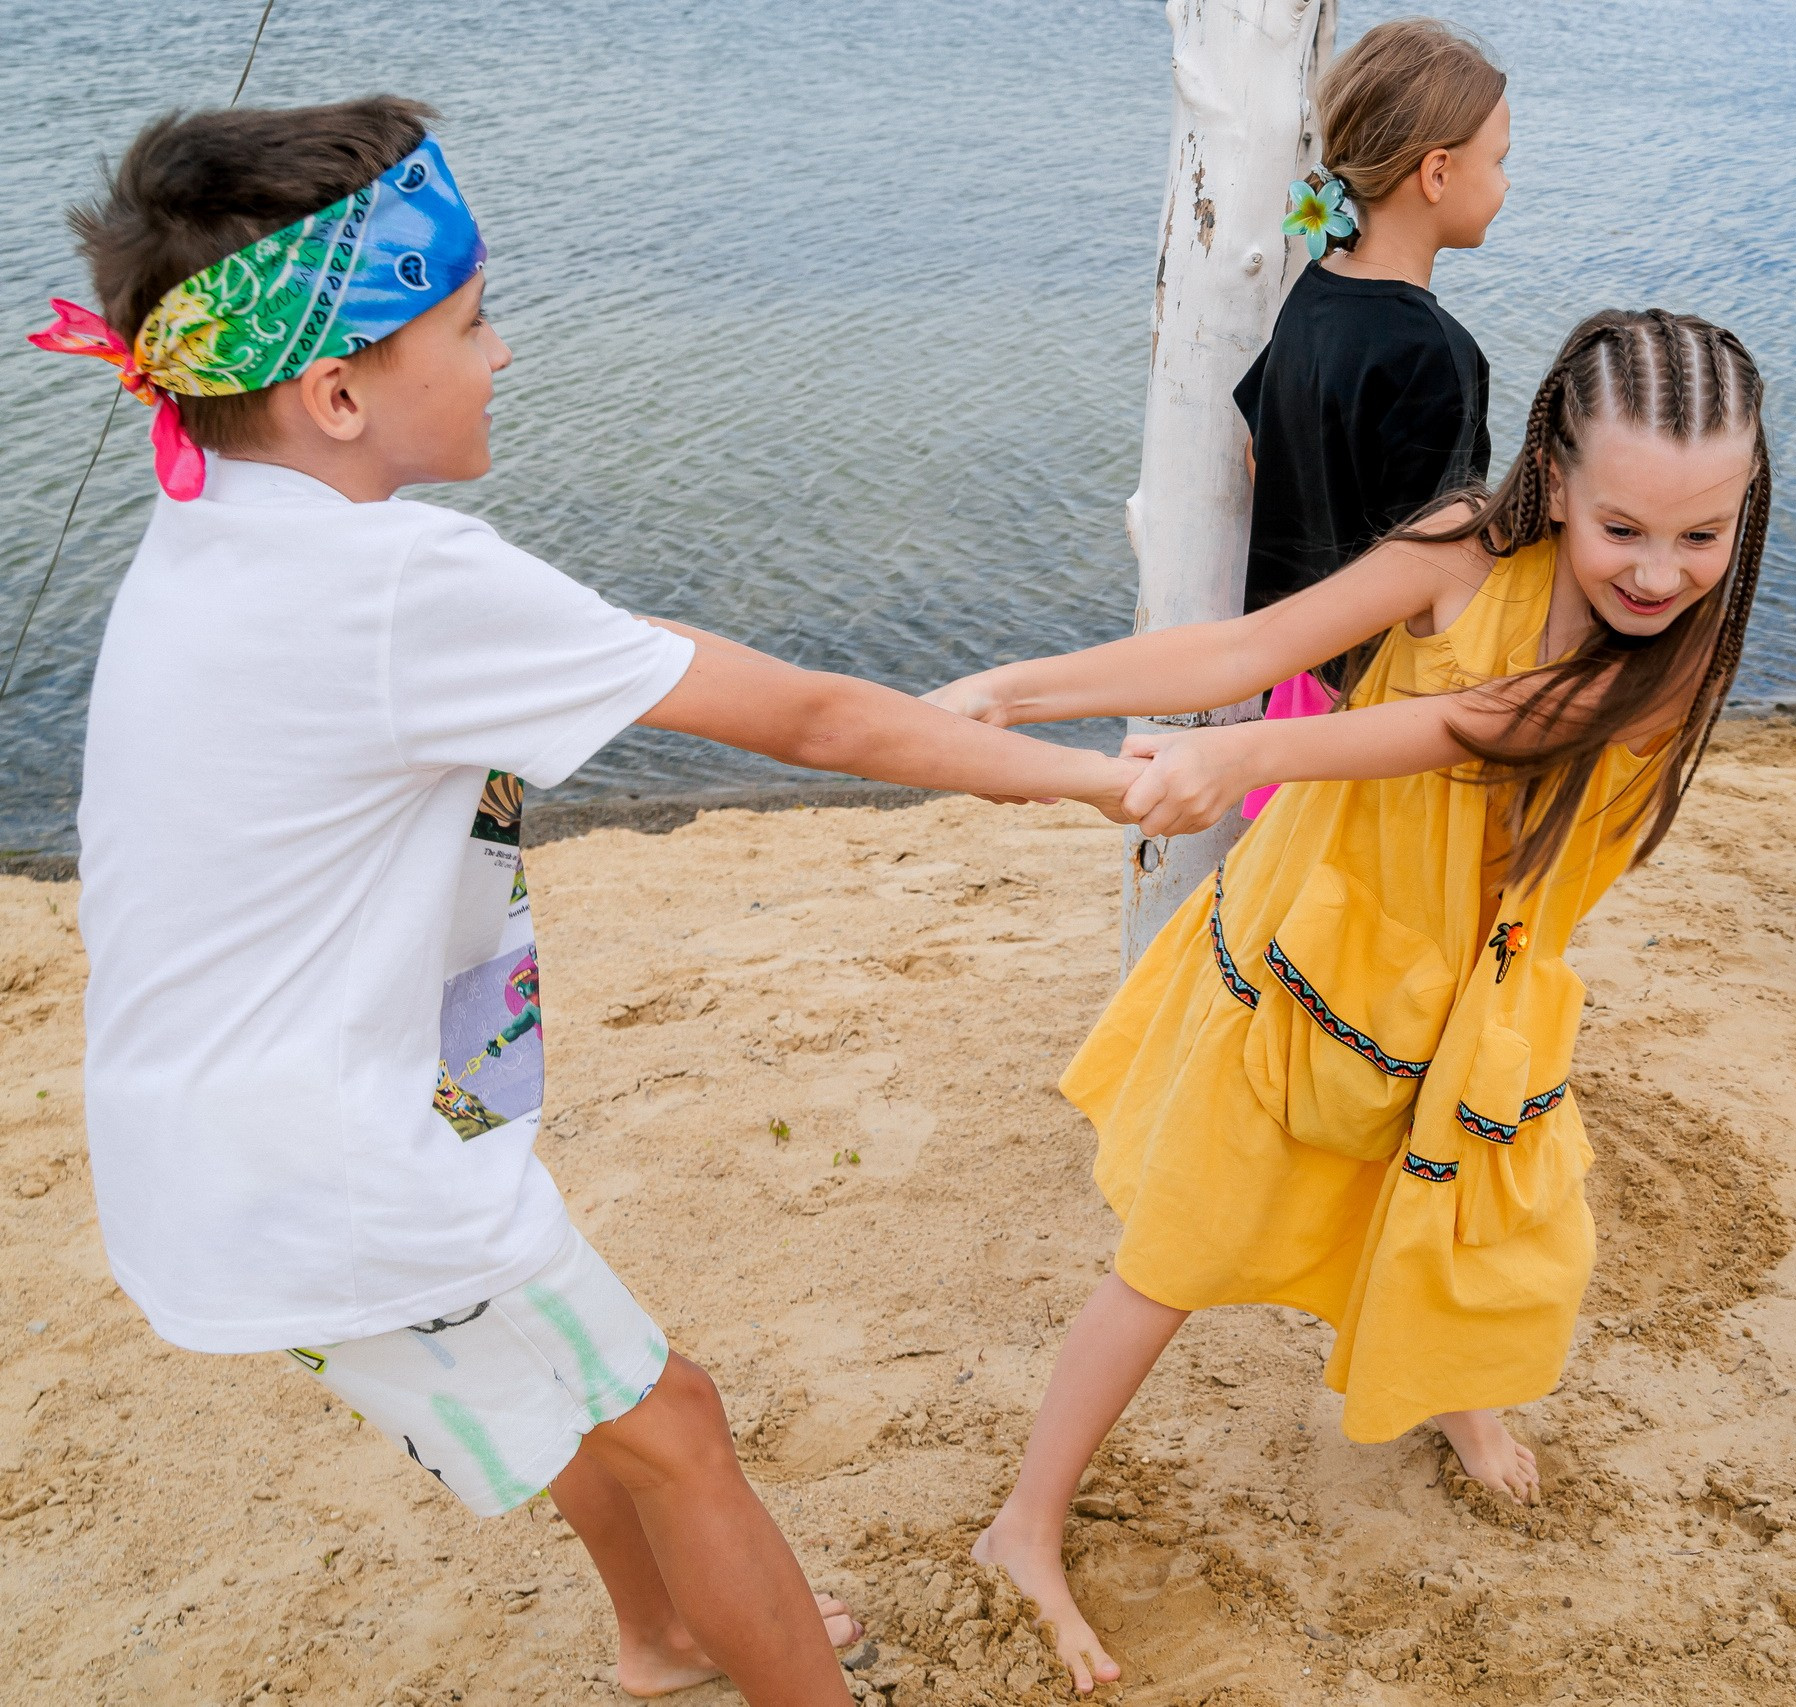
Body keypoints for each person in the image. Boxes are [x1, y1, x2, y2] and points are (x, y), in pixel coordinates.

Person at [34, 99, 1135, 1707]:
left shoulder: (208, 517)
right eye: (467, 324)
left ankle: (663, 1630)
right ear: (336, 390)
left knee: (569, 1396)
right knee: (674, 1417)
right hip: (338, 1161)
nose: (501, 354)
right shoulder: (402, 581)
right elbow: (815, 722)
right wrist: (1109, 777)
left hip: (207, 1150)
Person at [929, 308, 1773, 1692]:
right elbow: (1246, 648)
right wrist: (1018, 686)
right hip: (1322, 955)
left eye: (1704, 534)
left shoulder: (1679, 654)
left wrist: (1265, 749)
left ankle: (1451, 1390)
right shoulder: (1459, 547)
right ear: (1554, 477)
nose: (1663, 569)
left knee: (1450, 1224)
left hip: (1481, 989)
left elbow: (1479, 724)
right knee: (1180, 1245)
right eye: (1625, 526)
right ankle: (1023, 1522)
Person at [1235, 16, 1508, 818]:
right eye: (1499, 162)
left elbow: (1260, 454)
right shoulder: (1436, 352)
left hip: (1289, 674)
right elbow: (1436, 566)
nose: (1506, 183)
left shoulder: (1312, 294)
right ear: (1436, 172)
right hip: (1376, 704)